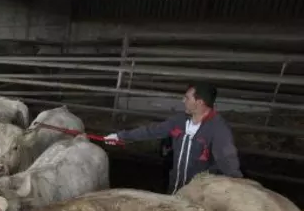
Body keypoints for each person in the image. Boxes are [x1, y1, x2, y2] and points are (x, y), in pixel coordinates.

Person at [104, 81, 243, 194]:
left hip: (200, 194)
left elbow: (228, 162)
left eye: (187, 97)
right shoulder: (180, 120)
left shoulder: (218, 129)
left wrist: (239, 189)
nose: (183, 100)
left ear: (199, 102)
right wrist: (120, 136)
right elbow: (152, 131)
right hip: (175, 186)